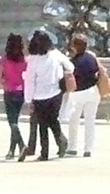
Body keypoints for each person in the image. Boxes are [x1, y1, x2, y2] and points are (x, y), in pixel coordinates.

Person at [19, 29, 72, 161]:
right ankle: (61, 141)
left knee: (43, 124)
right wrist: (60, 74)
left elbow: (30, 81)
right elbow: (71, 67)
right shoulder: (56, 54)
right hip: (55, 93)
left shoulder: (33, 60)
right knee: (53, 120)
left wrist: (28, 100)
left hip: (39, 96)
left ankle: (45, 153)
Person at [62, 34, 106, 158]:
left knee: (73, 121)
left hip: (77, 94)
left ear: (75, 46)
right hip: (92, 91)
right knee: (90, 121)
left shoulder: (71, 62)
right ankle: (88, 149)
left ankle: (72, 147)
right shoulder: (92, 57)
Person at [0, 34, 28, 158]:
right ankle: (11, 151)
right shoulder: (25, 60)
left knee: (12, 121)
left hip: (9, 91)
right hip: (21, 92)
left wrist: (4, 85)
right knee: (14, 120)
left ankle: (21, 145)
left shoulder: (4, 59)